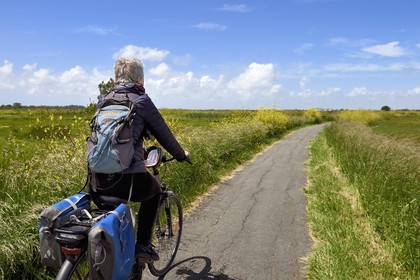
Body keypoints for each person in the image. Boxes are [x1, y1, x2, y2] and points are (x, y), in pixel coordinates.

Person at [89, 57, 189, 263]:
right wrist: (181, 155)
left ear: (116, 77)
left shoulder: (103, 100)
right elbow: (164, 135)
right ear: (140, 79)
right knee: (154, 192)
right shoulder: (142, 101)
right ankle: (143, 246)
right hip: (128, 181)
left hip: (96, 180)